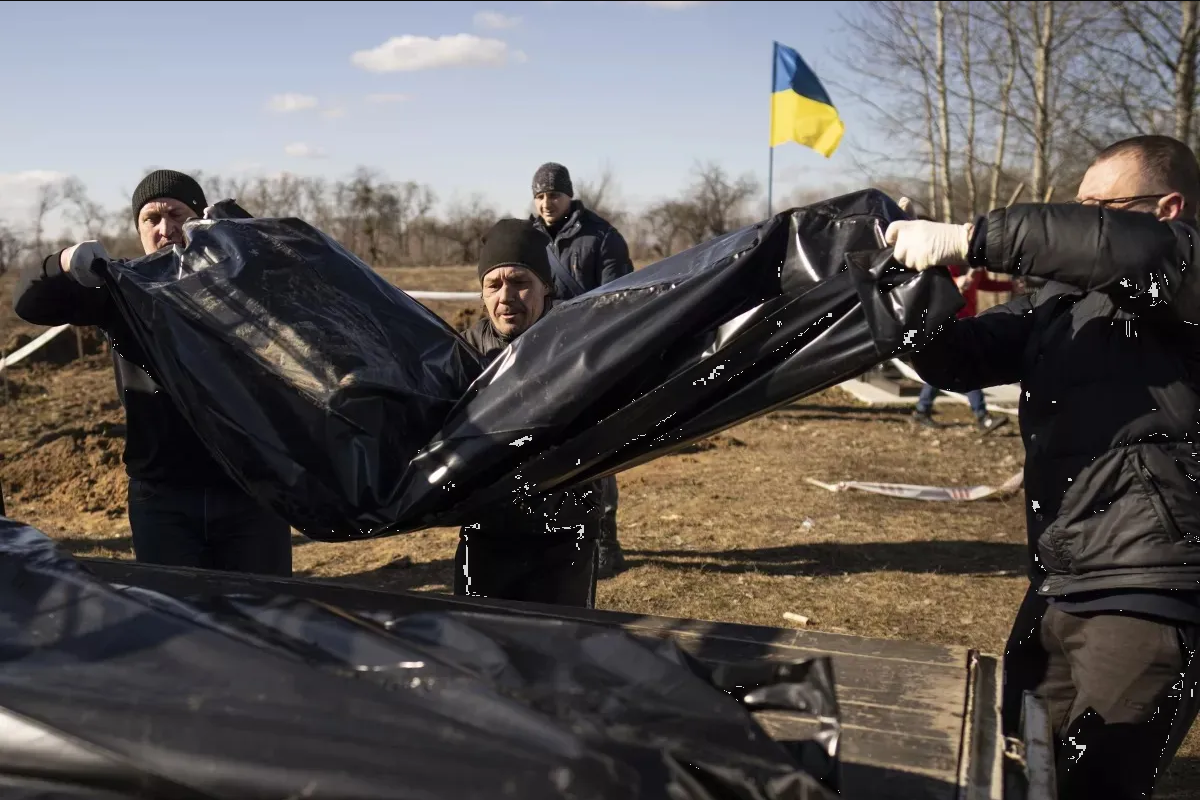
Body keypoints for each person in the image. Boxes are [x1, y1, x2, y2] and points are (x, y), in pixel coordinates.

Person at [885, 135, 1200, 800]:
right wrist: (910, 290)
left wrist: (970, 236)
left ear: (1167, 209)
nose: (1085, 218)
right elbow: (963, 358)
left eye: (1100, 207)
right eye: (1079, 207)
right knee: (1017, 767)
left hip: (1150, 588)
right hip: (1060, 578)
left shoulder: (1182, 266)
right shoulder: (1061, 302)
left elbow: (1125, 248)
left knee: (1098, 783)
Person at [12, 169, 294, 576]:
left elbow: (289, 274)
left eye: (177, 215)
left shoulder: (238, 283)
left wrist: (237, 228)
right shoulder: (123, 291)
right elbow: (29, 304)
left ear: (200, 219)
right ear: (139, 228)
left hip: (251, 492)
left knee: (265, 620)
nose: (166, 229)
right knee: (175, 624)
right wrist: (65, 262)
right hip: (163, 499)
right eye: (151, 219)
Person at [456, 217, 604, 608]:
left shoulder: (578, 345)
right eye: (494, 284)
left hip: (564, 529)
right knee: (481, 642)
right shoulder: (463, 353)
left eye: (520, 282)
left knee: (561, 647)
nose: (506, 297)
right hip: (487, 528)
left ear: (546, 285)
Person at [529, 161, 636, 578]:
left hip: (591, 357)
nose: (546, 203)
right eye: (539, 196)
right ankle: (558, 534)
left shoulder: (602, 236)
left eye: (553, 195)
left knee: (597, 449)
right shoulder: (527, 237)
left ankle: (606, 541)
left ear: (569, 195)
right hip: (541, 357)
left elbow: (622, 298)